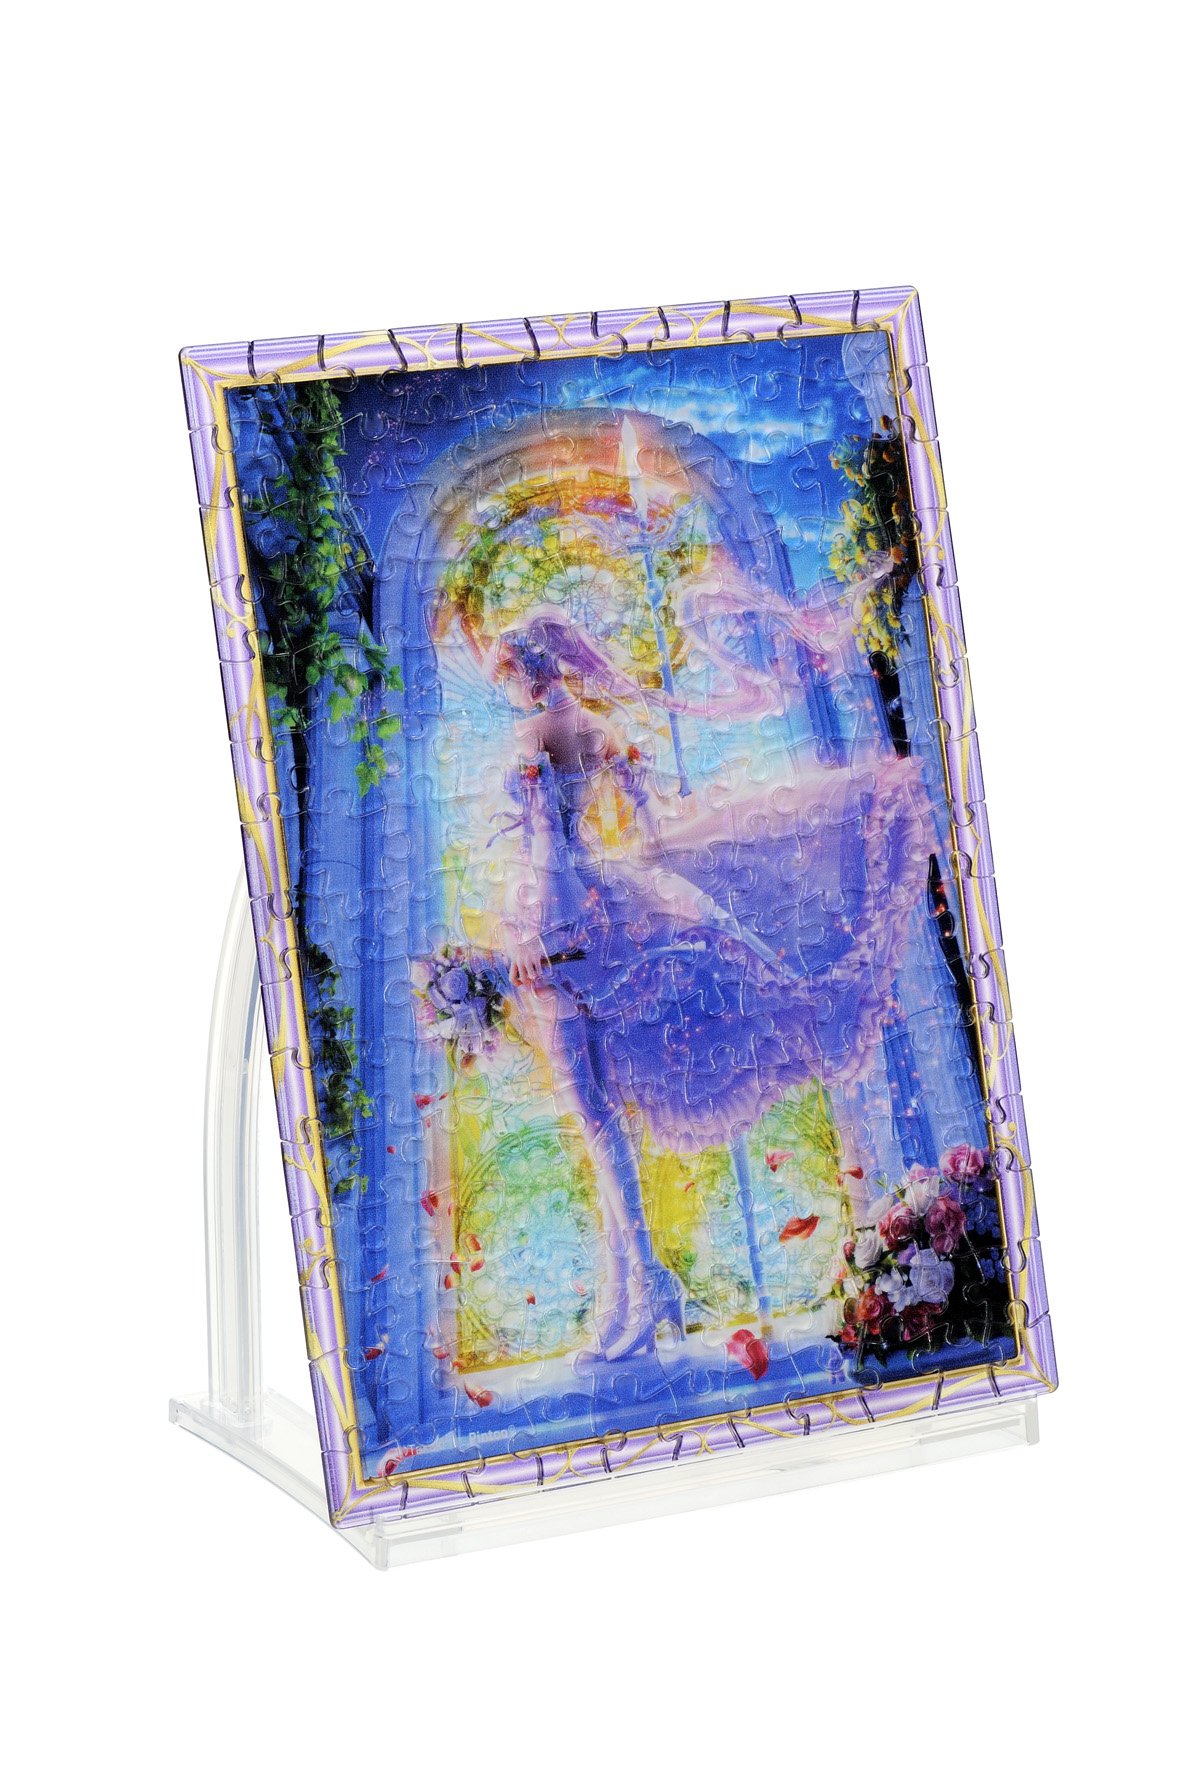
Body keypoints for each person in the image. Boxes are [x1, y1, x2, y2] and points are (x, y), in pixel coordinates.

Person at [441, 597, 930, 1360]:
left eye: (503, 675)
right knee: (602, 1119)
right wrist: (657, 878)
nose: (503, 688)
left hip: (559, 929)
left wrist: (533, 934)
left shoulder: (530, 738)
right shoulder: (597, 730)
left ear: (524, 671)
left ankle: (642, 1290)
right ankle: (632, 1295)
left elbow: (543, 846)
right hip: (604, 913)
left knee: (595, 1119)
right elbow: (645, 828)